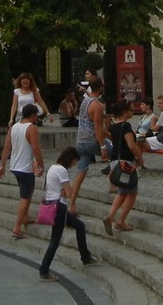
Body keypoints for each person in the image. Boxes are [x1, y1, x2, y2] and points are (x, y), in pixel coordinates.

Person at [37, 147, 101, 282]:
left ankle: (86, 257)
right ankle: (44, 270)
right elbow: (70, 193)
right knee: (55, 241)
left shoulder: (52, 168)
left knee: (79, 226)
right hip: (59, 207)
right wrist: (64, 192)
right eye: (75, 161)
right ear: (70, 159)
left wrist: (63, 192)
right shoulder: (62, 171)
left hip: (52, 204)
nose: (74, 164)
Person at [0, 103, 44, 238]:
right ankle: (17, 227)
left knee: (27, 191)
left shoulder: (13, 127)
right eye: (36, 115)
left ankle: (25, 217)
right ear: (33, 115)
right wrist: (41, 165)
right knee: (25, 196)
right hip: (25, 168)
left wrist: (2, 165)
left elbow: (7, 147)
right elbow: (36, 148)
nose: (37, 118)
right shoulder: (32, 128)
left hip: (15, 166)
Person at [104, 98, 142, 234]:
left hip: (115, 162)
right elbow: (131, 145)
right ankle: (120, 220)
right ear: (125, 112)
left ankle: (110, 217)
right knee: (132, 191)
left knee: (122, 192)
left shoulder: (114, 125)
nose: (133, 111)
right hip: (126, 163)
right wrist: (140, 158)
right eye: (131, 109)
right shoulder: (126, 126)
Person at [68, 75, 108, 206]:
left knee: (80, 172)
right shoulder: (98, 105)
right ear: (101, 87)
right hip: (91, 140)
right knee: (116, 153)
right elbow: (97, 127)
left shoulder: (85, 101)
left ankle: (72, 203)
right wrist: (103, 147)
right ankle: (115, 185)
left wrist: (110, 135)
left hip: (81, 141)